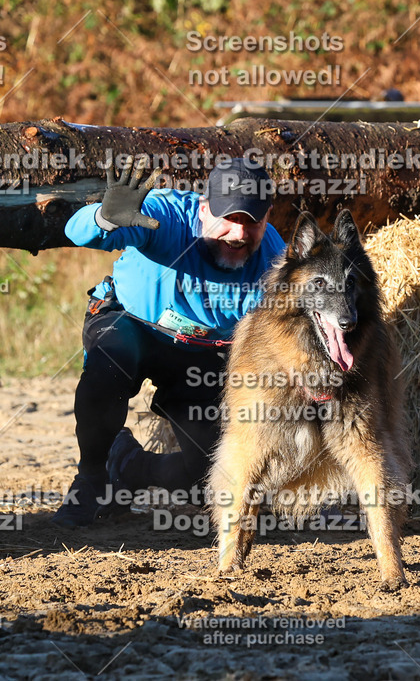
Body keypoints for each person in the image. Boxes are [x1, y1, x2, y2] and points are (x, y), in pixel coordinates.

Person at [52, 156, 285, 528]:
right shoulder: (166, 214)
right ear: (205, 208)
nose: (240, 235)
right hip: (133, 324)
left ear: (268, 216)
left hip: (204, 356)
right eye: (230, 219)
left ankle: (129, 467)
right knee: (107, 363)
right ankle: (91, 479)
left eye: (252, 222)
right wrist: (103, 219)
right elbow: (76, 232)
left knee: (209, 481)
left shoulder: (275, 261)